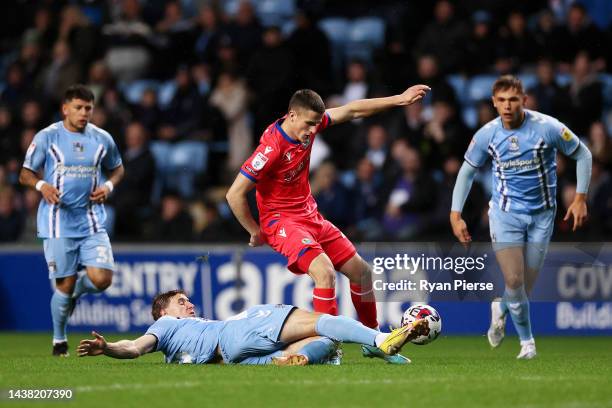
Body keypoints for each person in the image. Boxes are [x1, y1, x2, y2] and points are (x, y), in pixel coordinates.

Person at [226, 85, 429, 364]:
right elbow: (234, 193)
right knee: (325, 274)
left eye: (315, 124)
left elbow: (353, 109)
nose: (312, 131)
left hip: (310, 216)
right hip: (282, 221)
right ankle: (327, 348)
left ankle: (375, 341)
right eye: (308, 124)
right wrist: (254, 230)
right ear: (292, 115)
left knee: (362, 273)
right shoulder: (271, 147)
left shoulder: (308, 125)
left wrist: (399, 99)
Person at [449, 75, 592, 359]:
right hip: (505, 216)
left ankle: (499, 307)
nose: (507, 105)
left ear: (524, 100)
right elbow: (467, 172)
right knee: (514, 281)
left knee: (523, 287)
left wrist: (580, 198)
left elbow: (583, 154)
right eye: (501, 100)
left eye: (513, 99)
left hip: (542, 216)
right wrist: (456, 214)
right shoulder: (486, 134)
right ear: (493, 102)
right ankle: (528, 344)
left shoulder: (547, 127)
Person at [19, 85, 125, 356]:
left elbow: (118, 168)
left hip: (91, 221)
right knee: (63, 285)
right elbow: (25, 173)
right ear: (65, 109)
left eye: (88, 108)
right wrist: (42, 185)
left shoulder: (102, 138)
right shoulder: (47, 136)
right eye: (78, 107)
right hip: (57, 223)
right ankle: (59, 340)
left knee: (102, 279)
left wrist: (109, 187)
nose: (84, 113)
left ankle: (76, 291)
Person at [77, 290, 429, 366]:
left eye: (188, 300)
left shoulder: (176, 349)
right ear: (163, 311)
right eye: (181, 301)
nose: (189, 304)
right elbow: (134, 346)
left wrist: (110, 349)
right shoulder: (165, 324)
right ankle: (380, 340)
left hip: (235, 357)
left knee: (324, 342)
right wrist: (108, 347)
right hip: (234, 333)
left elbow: (137, 349)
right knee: (318, 321)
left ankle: (300, 358)